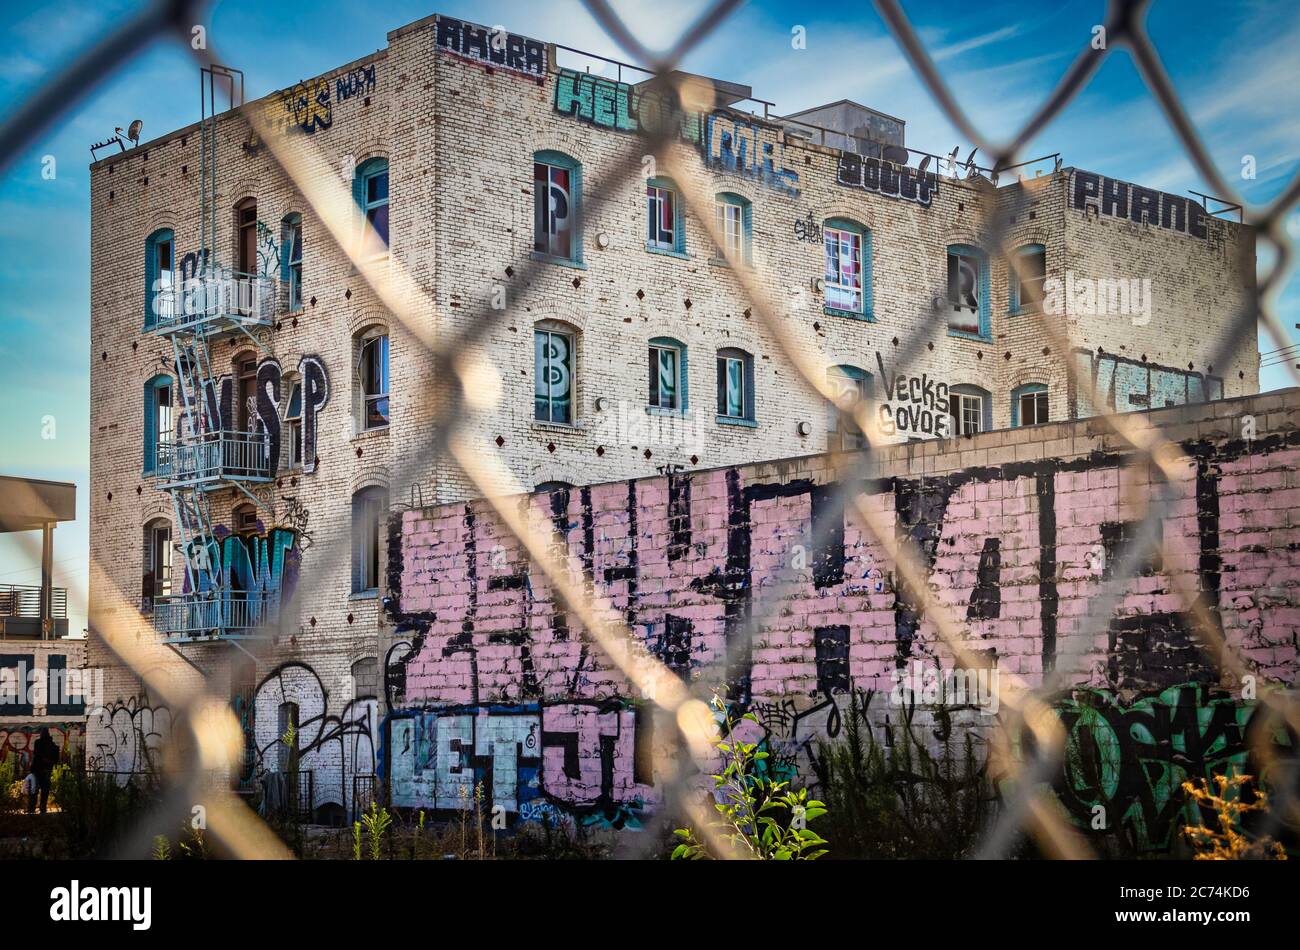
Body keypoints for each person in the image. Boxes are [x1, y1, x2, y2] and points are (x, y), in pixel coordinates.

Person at [27, 728, 59, 814]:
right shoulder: (54, 747)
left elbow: (36, 755)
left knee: (34, 790)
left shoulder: (38, 743)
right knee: (44, 791)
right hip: (46, 770)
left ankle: (31, 809)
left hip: (36, 770)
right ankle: (42, 809)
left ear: (42, 734)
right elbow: (56, 760)